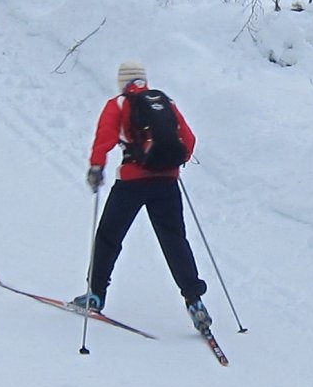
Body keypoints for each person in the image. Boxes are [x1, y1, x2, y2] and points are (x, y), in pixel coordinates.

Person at [74, 60, 212, 332]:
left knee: (109, 236)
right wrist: (174, 162)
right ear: (143, 80)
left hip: (132, 182)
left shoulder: (119, 104)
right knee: (174, 240)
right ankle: (194, 300)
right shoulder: (166, 102)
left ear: (122, 81)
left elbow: (105, 138)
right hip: (167, 182)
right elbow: (189, 139)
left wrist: (96, 167)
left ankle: (96, 294)